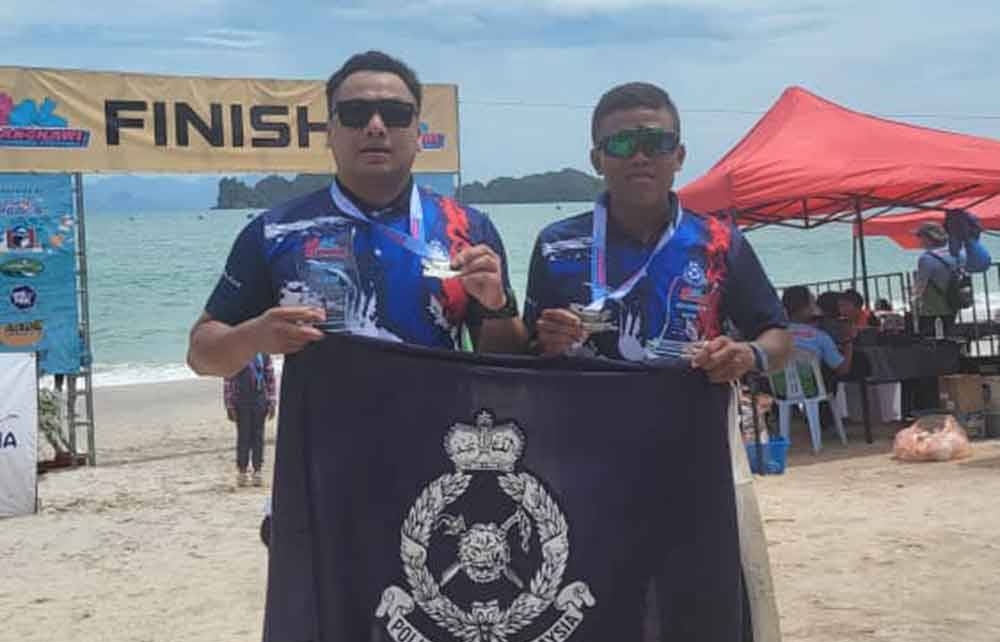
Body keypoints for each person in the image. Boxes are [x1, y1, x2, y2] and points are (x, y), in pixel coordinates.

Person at [187, 50, 526, 381]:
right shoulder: (275, 231)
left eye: (395, 113)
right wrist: (254, 337)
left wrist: (497, 306)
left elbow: (508, 366)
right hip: (318, 437)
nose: (376, 126)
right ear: (328, 133)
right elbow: (201, 356)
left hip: (441, 433)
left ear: (418, 135)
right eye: (355, 113)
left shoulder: (469, 228)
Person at [523, 82, 791, 382]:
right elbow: (526, 350)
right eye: (621, 144)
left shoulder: (720, 241)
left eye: (656, 143)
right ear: (597, 160)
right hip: (584, 424)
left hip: (695, 424)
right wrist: (545, 343)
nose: (639, 157)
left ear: (679, 156)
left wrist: (749, 355)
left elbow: (779, 337)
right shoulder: (555, 245)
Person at [913, 219, 991, 337]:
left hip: (933, 306)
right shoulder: (959, 253)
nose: (919, 240)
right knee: (949, 333)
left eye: (920, 236)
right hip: (954, 300)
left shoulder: (926, 259)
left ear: (928, 238)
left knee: (928, 337)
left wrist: (913, 300)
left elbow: (920, 287)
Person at [782, 285, 853, 394]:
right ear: (805, 308)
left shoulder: (775, 334)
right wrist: (848, 341)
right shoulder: (820, 336)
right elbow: (843, 369)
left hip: (782, 391)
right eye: (813, 303)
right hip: (812, 391)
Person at [224, 352, 276, 487]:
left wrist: (272, 402)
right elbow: (228, 379)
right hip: (240, 401)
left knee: (258, 437)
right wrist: (229, 405)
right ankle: (242, 471)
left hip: (260, 400)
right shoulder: (236, 352)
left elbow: (270, 378)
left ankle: (257, 471)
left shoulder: (264, 354)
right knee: (243, 436)